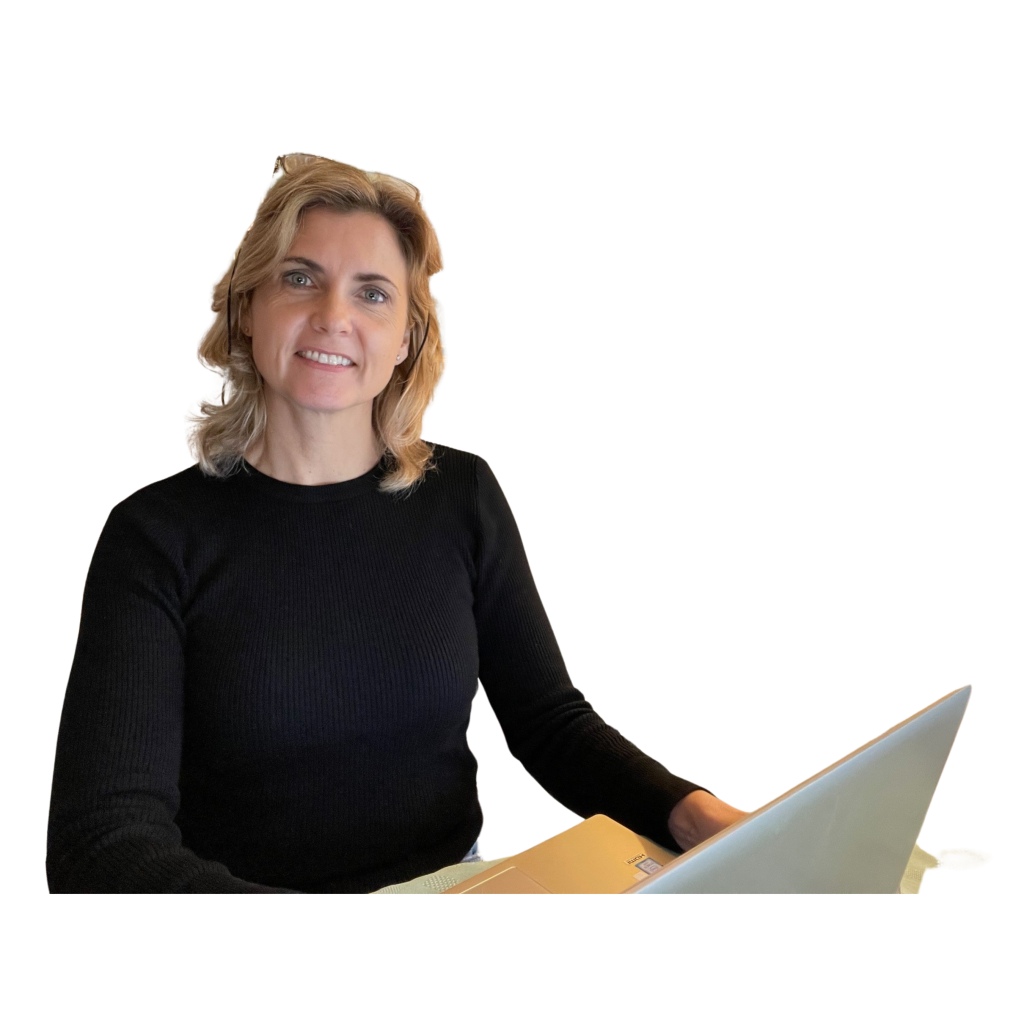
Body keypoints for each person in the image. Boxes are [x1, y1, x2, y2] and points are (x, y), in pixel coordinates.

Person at [45, 152, 748, 895]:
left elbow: (551, 723)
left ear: (407, 338)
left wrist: (697, 816)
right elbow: (103, 844)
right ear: (247, 308)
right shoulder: (154, 536)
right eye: (300, 278)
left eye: (372, 293)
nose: (334, 316)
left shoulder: (462, 494)